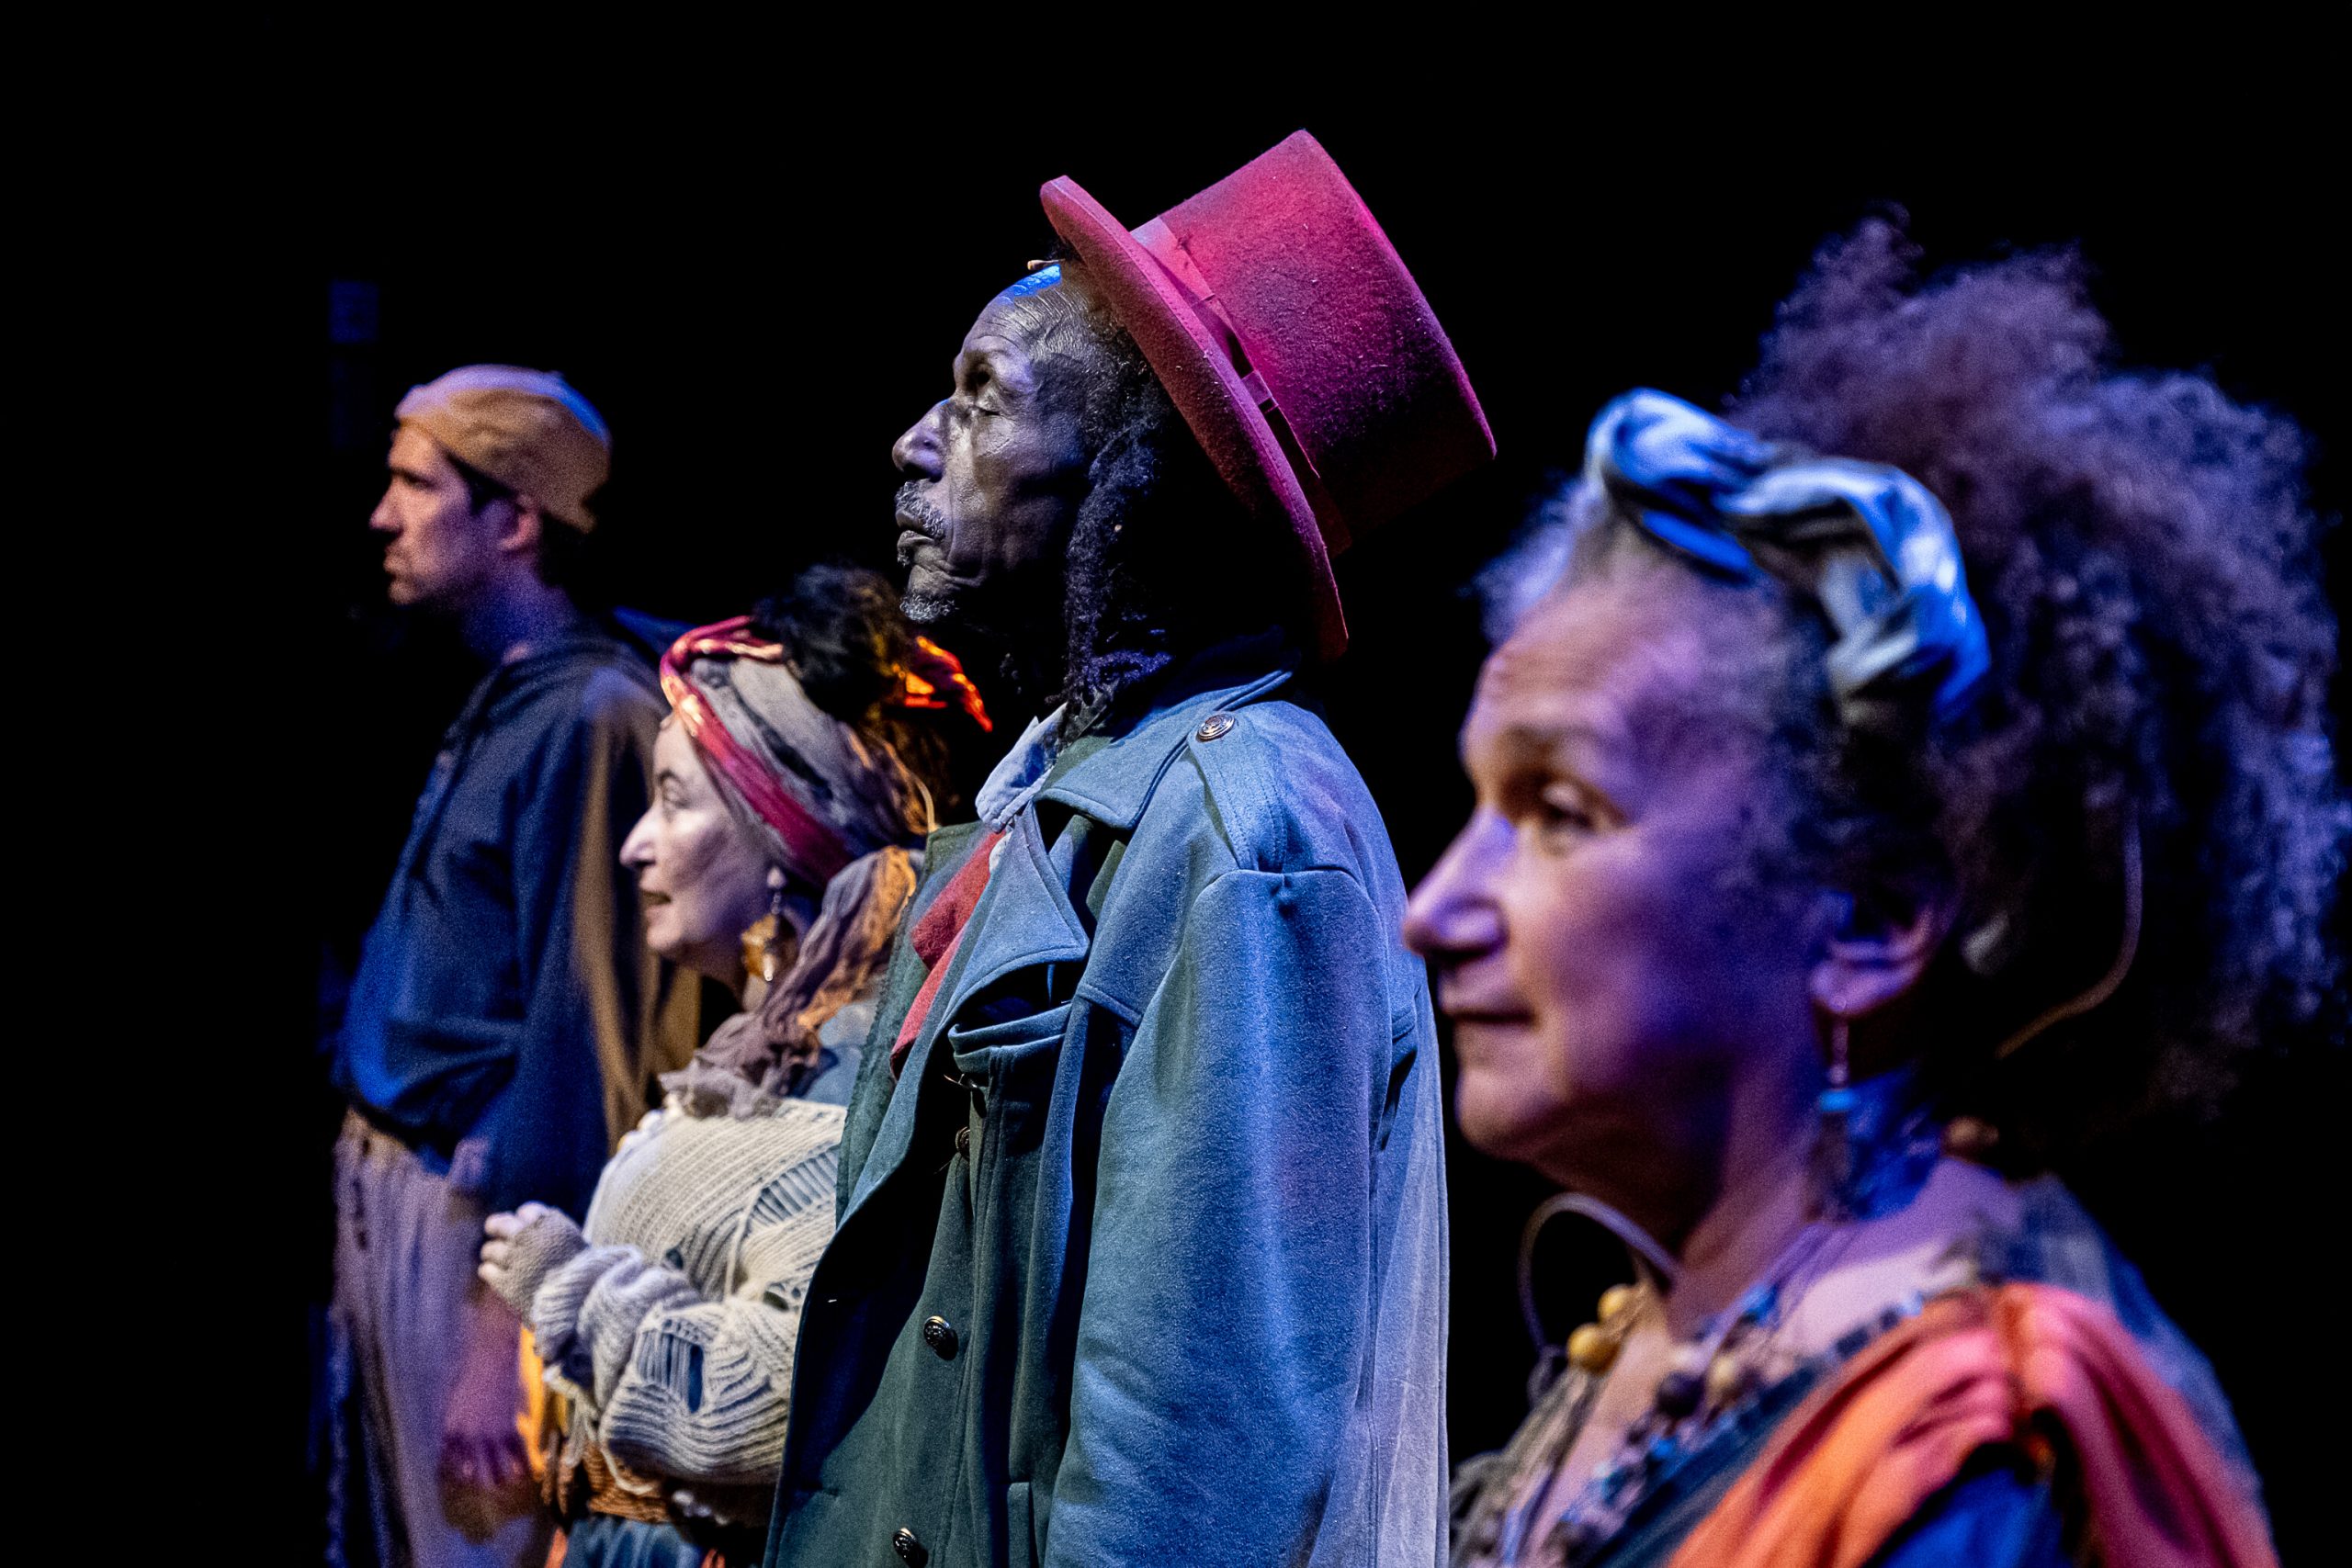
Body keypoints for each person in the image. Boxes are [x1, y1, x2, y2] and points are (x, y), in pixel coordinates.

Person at [1414, 224, 2336, 1567]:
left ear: (1868, 917)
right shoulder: (1680, 1323)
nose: (1433, 908)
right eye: (1478, 807)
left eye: (1559, 813)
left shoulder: (1981, 1432)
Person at [768, 132, 1495, 1567]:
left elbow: (1192, 1447)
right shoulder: (1079, 782)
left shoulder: (1247, 831)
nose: (915, 443)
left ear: (1131, 484)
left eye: (982, 399)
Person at [477, 566, 991, 1568]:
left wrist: (576, 1294)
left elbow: (782, 1394)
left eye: (673, 800)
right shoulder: (762, 1064)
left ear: (779, 834)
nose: (635, 846)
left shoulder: (840, 1098)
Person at [331, 366, 699, 1567]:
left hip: (473, 1221)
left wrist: (504, 1329)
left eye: (414, 482)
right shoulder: (510, 695)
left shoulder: (593, 715)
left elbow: (581, 1042)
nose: (384, 515)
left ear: (516, 518)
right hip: (404, 1188)